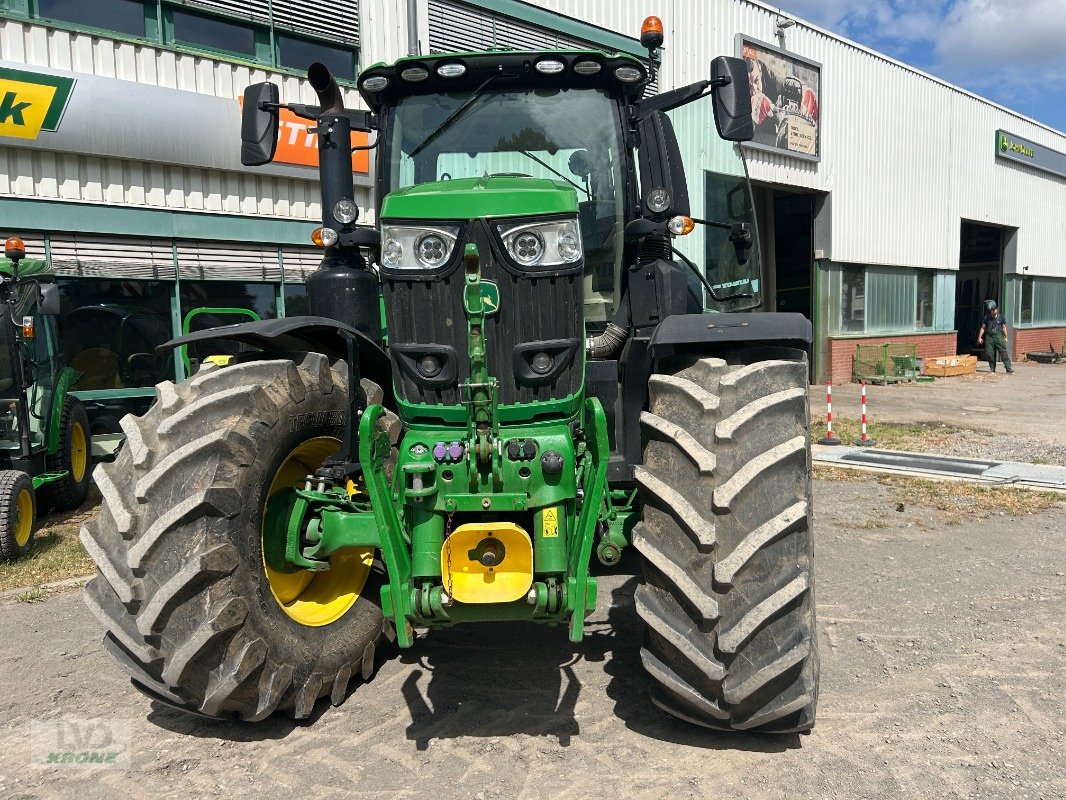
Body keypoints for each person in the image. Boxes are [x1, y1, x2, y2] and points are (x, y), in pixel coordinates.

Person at [977, 299, 1013, 373]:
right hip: (989, 337)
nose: (994, 312)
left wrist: (1006, 337)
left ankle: (1008, 368)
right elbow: (983, 328)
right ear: (990, 311)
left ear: (997, 310)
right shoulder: (986, 318)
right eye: (992, 311)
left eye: (995, 311)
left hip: (998, 337)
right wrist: (979, 337)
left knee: (1003, 352)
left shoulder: (1001, 317)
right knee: (989, 353)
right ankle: (992, 368)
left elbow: (1004, 328)